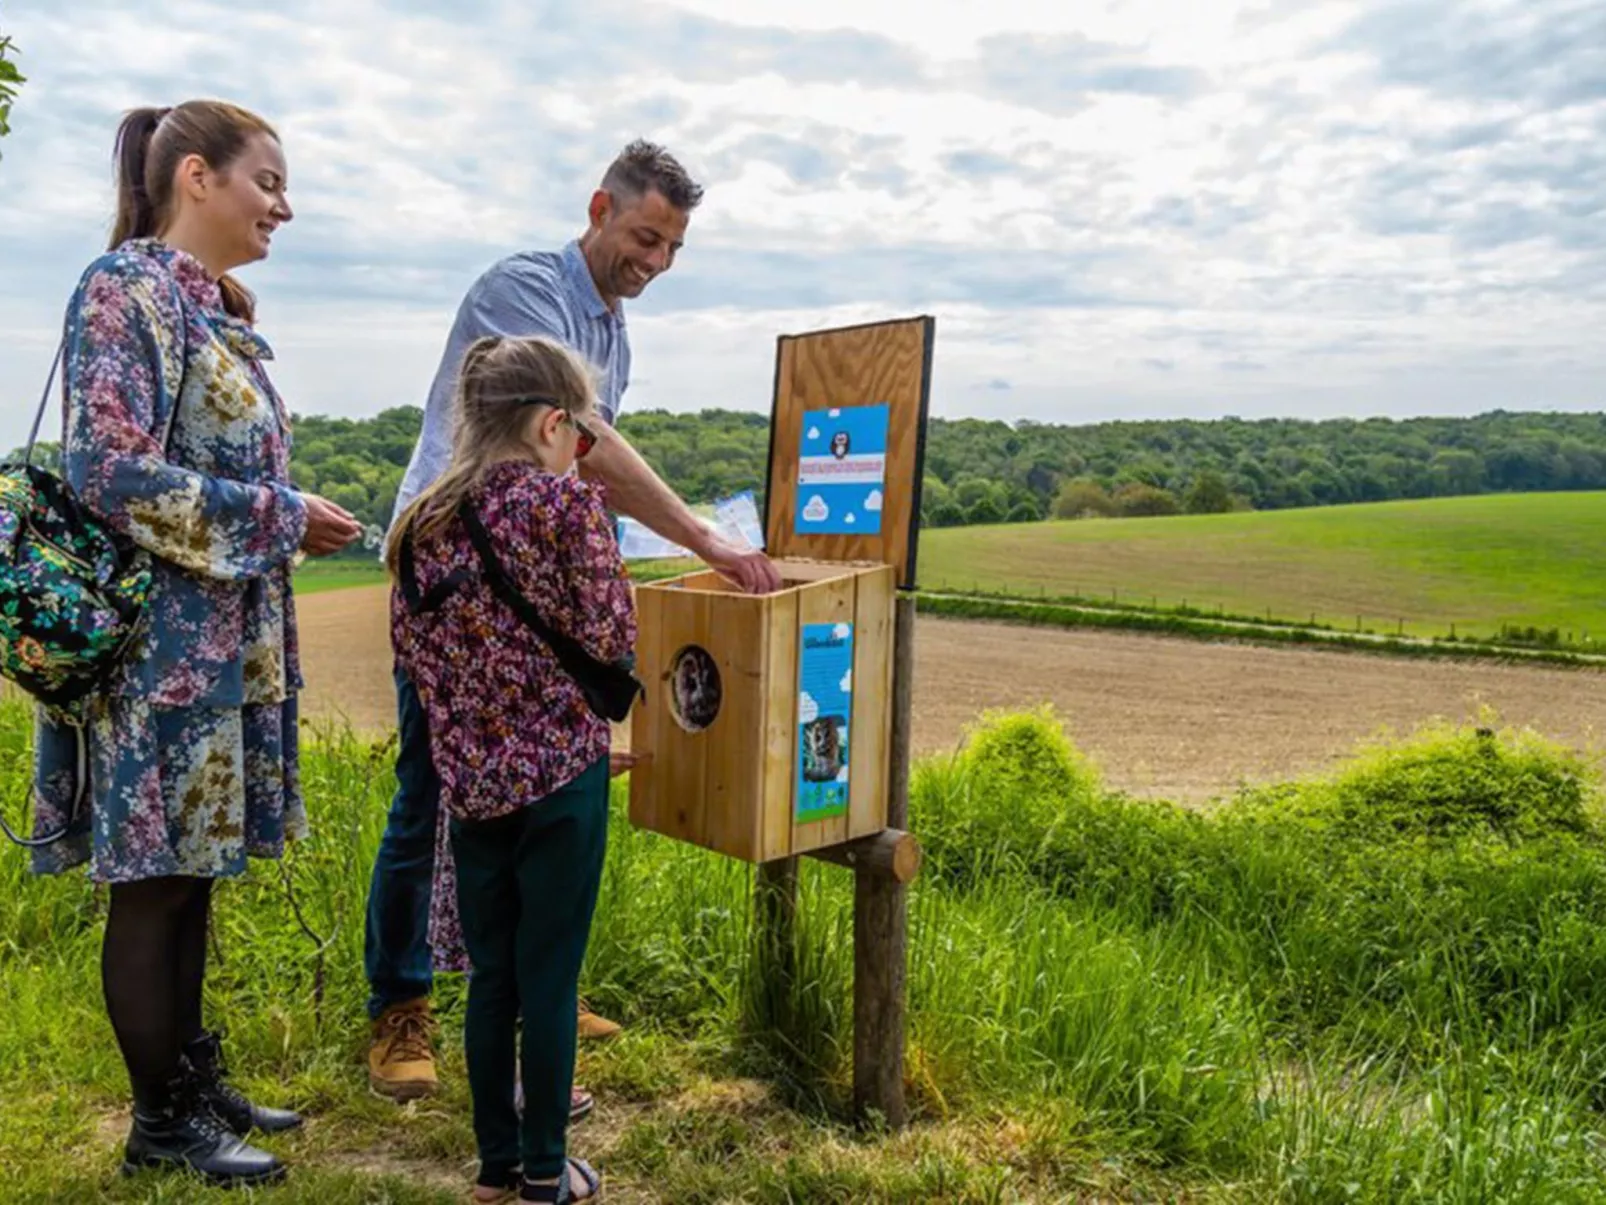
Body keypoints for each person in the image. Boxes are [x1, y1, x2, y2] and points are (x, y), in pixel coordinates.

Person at [364, 139, 782, 1100]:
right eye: (645, 236)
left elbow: (570, 480)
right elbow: (583, 446)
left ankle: (529, 991)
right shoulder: (526, 290)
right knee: (434, 791)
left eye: (674, 246)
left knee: (539, 794)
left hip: (529, 591)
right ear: (599, 208)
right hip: (453, 576)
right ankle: (401, 1009)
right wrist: (708, 540)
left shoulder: (614, 331)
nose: (656, 262)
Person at [28, 100, 364, 1186]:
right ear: (195, 178)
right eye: (267, 179)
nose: (286, 203)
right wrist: (280, 515)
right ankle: (158, 1122)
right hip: (158, 654)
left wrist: (280, 513)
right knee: (155, 881)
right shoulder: (122, 289)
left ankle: (188, 1071)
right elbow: (106, 470)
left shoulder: (206, 305)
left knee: (194, 870)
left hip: (217, 647)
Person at [386, 334, 631, 1203]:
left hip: (472, 790)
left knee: (491, 981)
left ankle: (492, 1170)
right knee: (551, 979)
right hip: (563, 779)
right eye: (583, 433)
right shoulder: (566, 510)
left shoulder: (418, 527)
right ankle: (543, 1170)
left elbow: (414, 657)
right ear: (551, 424)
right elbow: (611, 636)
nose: (583, 451)